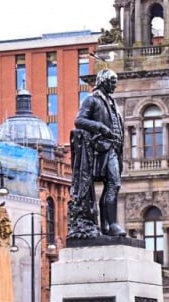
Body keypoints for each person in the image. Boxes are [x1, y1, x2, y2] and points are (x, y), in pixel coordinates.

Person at [68, 68, 126, 239]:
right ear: (103, 82)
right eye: (112, 83)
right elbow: (79, 121)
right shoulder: (92, 100)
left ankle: (108, 225)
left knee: (113, 185)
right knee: (113, 184)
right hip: (100, 148)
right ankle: (112, 224)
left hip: (114, 148)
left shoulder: (112, 102)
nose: (114, 86)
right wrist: (100, 127)